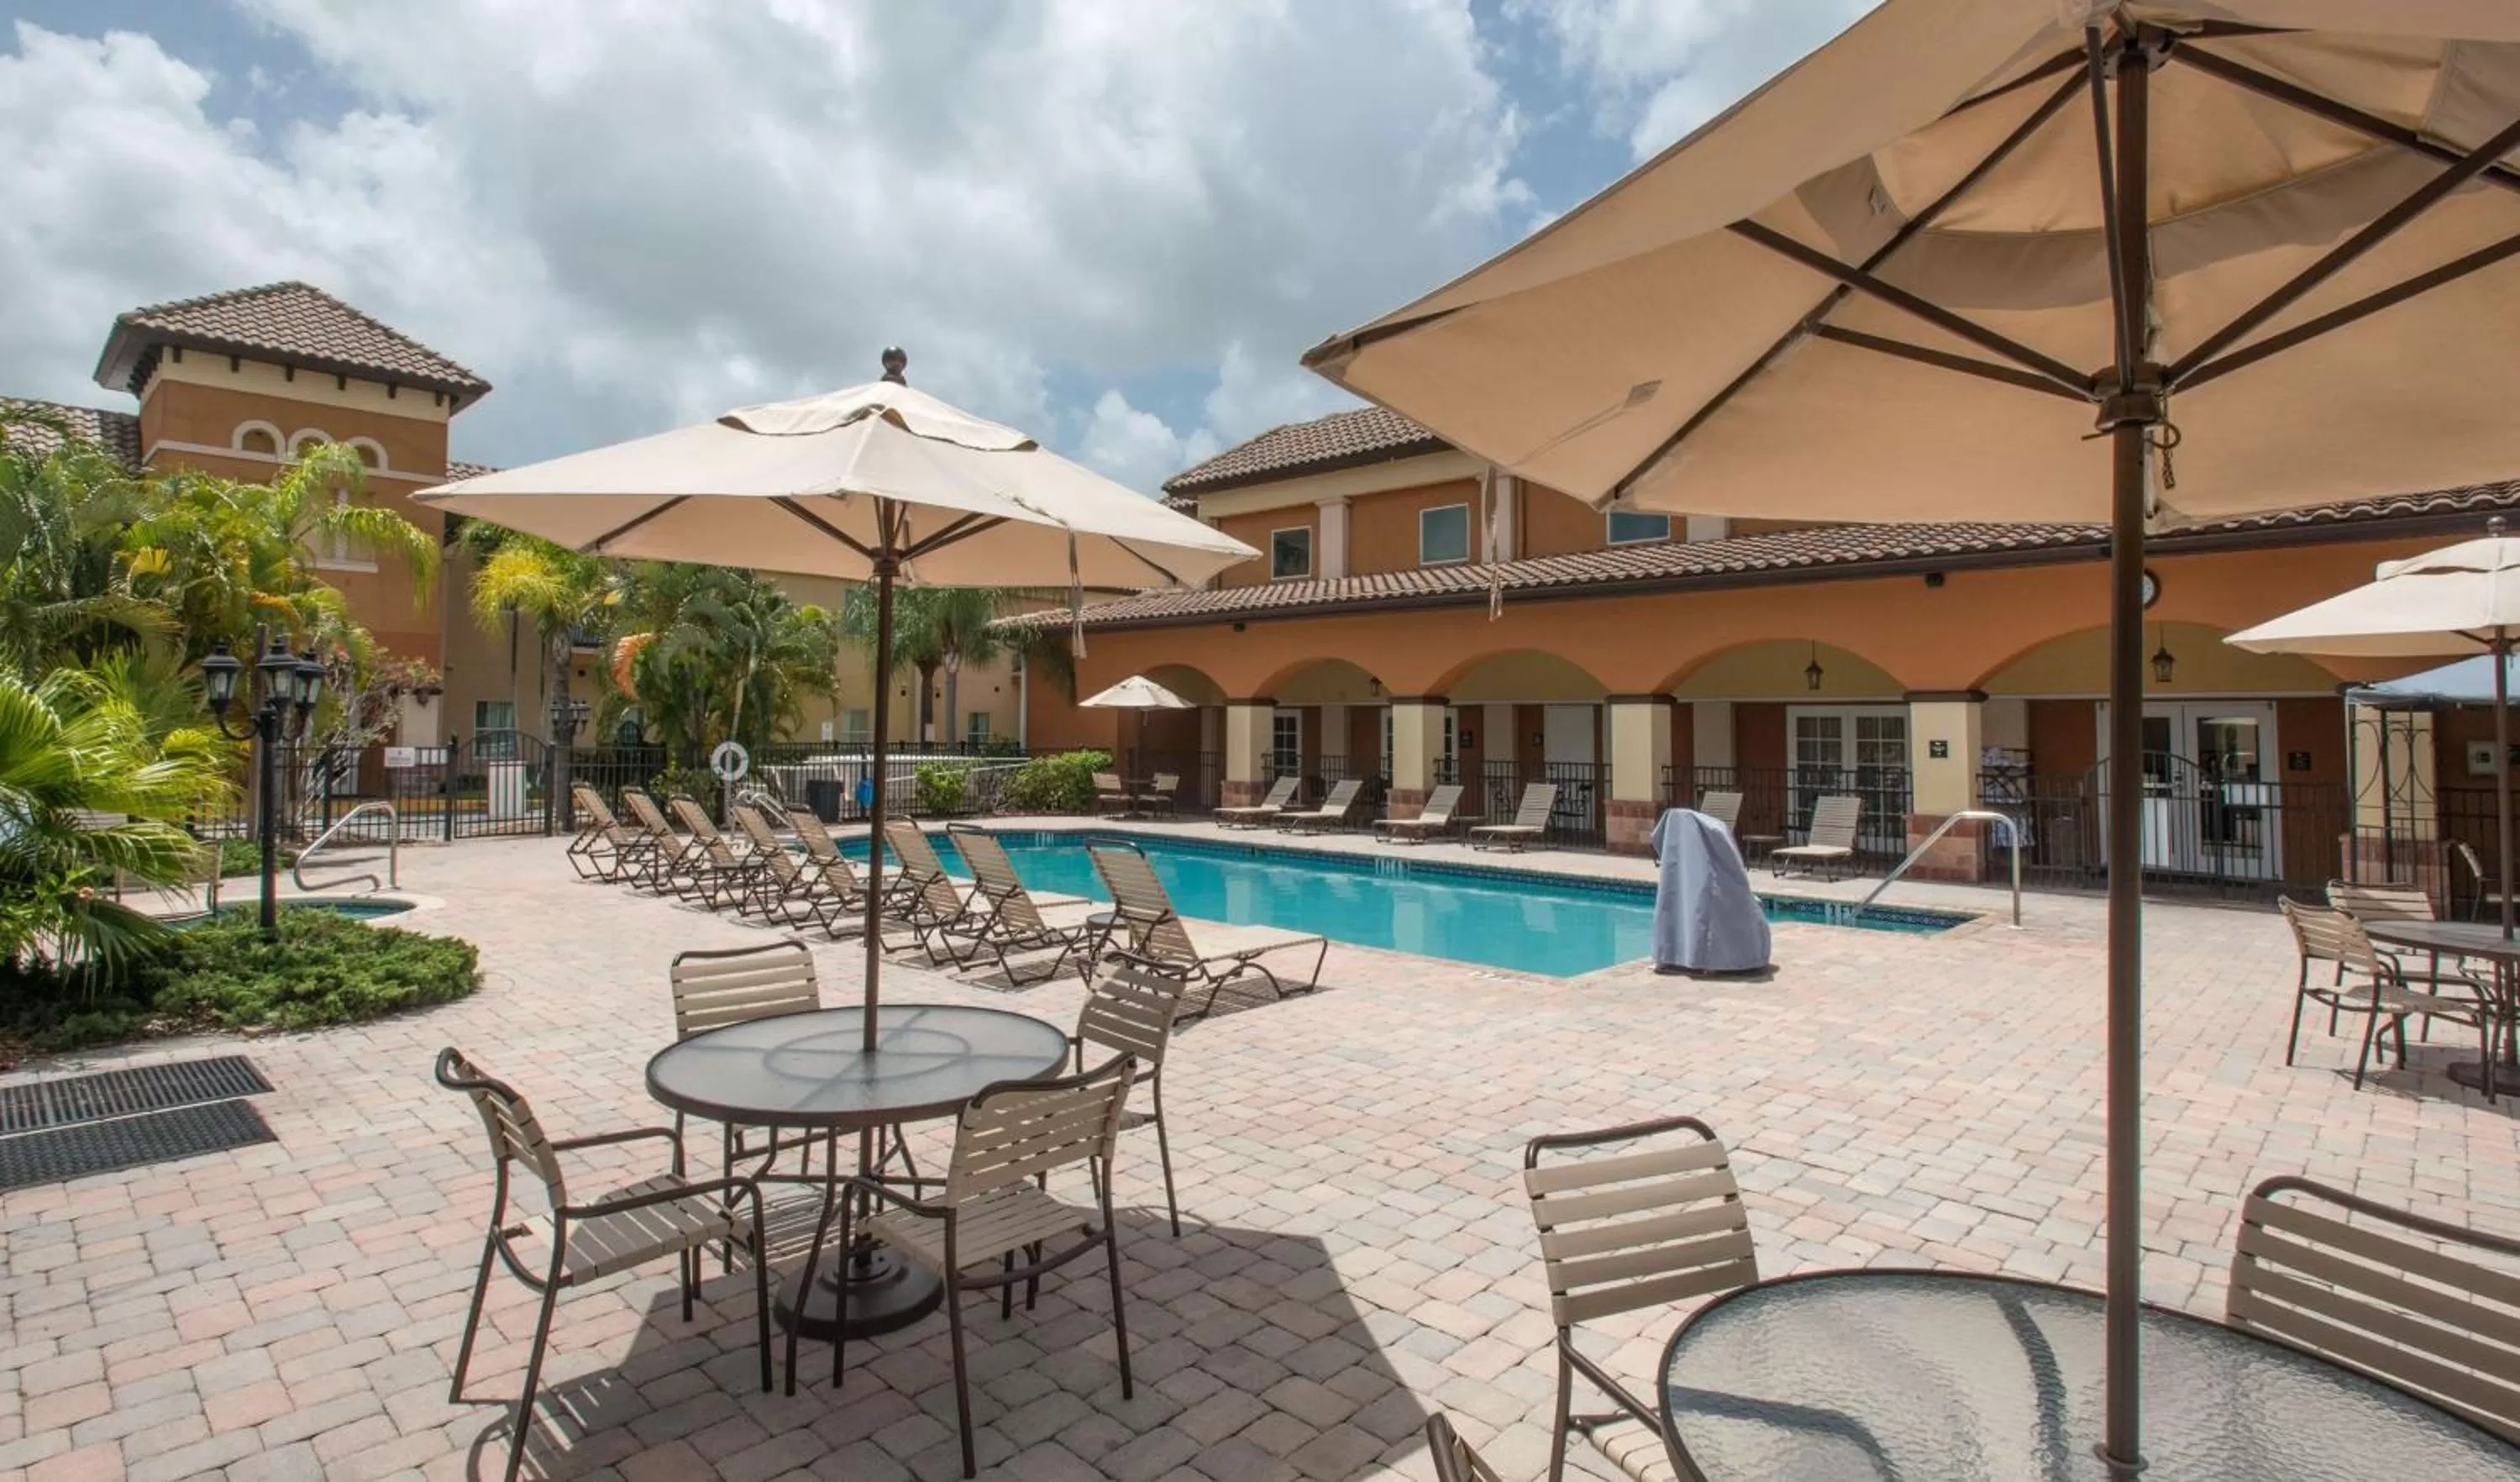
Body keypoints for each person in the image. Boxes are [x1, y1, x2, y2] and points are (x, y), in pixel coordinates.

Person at [1648, 808, 1772, 975]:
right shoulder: (1714, 832)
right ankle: (1706, 958)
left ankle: (1672, 956)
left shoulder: (1681, 843)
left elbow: (1657, 839)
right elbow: (1733, 866)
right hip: (1716, 893)